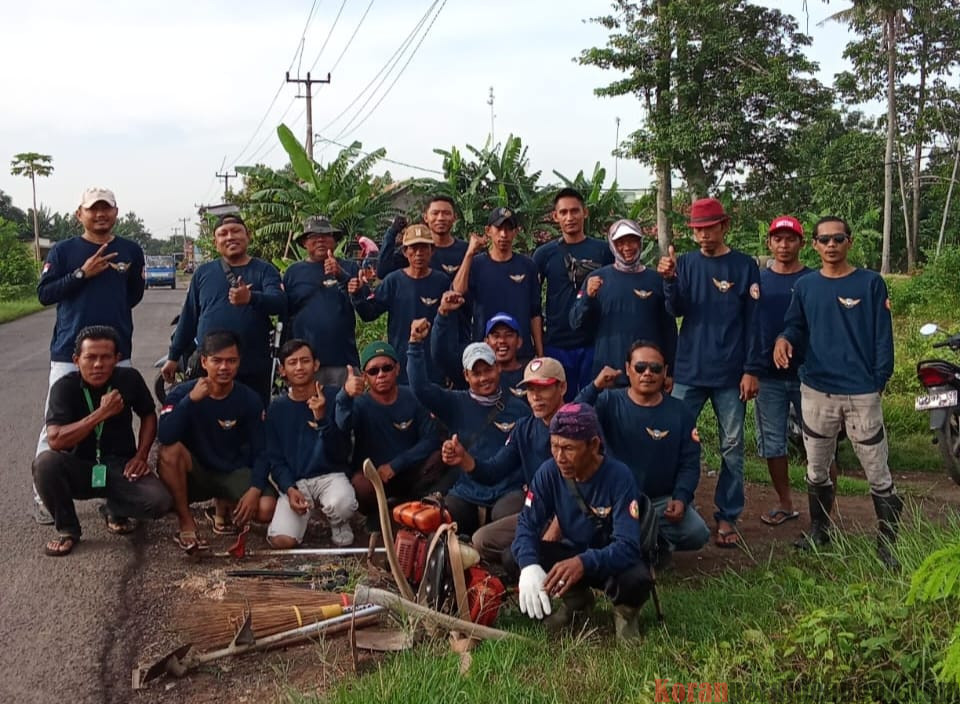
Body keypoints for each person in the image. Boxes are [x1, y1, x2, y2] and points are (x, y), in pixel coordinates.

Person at [774, 216, 902, 569]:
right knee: (816, 467)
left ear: (850, 241)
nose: (831, 245)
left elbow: (882, 338)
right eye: (824, 240)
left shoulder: (871, 283)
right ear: (814, 245)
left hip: (861, 392)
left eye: (838, 238)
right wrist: (784, 340)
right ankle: (819, 529)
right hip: (816, 390)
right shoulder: (805, 287)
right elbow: (795, 326)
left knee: (877, 469)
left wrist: (878, 380)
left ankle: (888, 543)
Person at [33, 187, 145, 524]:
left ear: (116, 212)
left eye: (106, 209)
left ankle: (117, 500)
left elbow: (133, 295)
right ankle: (44, 496)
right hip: (70, 352)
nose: (100, 215)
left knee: (116, 421)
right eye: (93, 209)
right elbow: (44, 293)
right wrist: (82, 274)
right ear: (80, 214)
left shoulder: (130, 250)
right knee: (54, 424)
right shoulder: (66, 251)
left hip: (116, 352)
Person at [657, 197, 763, 548]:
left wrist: (751, 370)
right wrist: (670, 281)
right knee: (670, 439)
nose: (703, 235)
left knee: (732, 447)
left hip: (731, 374)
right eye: (697, 229)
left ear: (724, 225)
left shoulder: (744, 266)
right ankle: (670, 507)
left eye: (709, 227)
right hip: (689, 370)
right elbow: (675, 310)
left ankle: (727, 515)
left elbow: (753, 323)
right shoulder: (685, 264)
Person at [509, 403, 653, 640]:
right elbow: (527, 523)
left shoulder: (619, 477)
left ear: (594, 445)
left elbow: (627, 546)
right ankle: (577, 601)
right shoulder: (548, 472)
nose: (559, 457)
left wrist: (583, 562)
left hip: (609, 559)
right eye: (554, 446)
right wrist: (528, 566)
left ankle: (626, 615)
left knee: (636, 578)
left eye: (568, 448)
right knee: (514, 556)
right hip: (571, 551)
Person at [32, 326, 171, 556]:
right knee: (45, 464)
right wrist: (101, 414)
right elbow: (55, 439)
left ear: (117, 359)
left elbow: (148, 414)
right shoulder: (64, 387)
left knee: (160, 502)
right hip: (80, 467)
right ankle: (68, 530)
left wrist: (141, 455)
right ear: (77, 360)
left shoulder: (129, 379)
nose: (98, 364)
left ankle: (113, 508)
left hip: (120, 466)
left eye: (106, 357)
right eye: (91, 357)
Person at [576, 341, 709, 565]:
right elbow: (572, 418)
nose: (647, 373)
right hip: (616, 500)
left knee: (698, 533)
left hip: (660, 503)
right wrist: (595, 387)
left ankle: (645, 544)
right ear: (628, 369)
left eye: (655, 368)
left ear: (665, 372)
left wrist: (681, 498)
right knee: (583, 533)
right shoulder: (608, 402)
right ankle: (639, 547)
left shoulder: (681, 412)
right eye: (640, 368)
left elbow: (690, 462)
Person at [407, 318, 532, 537]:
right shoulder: (454, 403)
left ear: (498, 368)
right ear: (466, 375)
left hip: (507, 491)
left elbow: (530, 453)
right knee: (437, 521)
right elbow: (420, 388)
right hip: (467, 491)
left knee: (508, 517)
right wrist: (415, 344)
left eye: (488, 370)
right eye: (476, 373)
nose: (484, 378)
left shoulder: (520, 409)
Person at [441, 357, 567, 565]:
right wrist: (465, 459)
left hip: (572, 517)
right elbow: (494, 470)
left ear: (562, 388)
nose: (535, 397)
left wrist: (554, 531)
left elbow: (584, 488)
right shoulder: (525, 428)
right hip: (539, 513)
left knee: (514, 555)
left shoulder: (578, 425)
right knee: (481, 541)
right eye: (530, 389)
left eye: (543, 389)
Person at [157, 330, 274, 552]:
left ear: (239, 362)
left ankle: (224, 504)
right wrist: (189, 402)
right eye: (217, 361)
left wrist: (255, 490)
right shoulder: (181, 393)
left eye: (231, 361)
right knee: (169, 452)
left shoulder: (249, 399)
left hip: (232, 470)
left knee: (266, 509)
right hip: (196, 472)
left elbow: (262, 449)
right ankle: (186, 521)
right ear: (204, 361)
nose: (223, 367)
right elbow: (165, 436)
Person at [162, 213, 285, 406]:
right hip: (210, 368)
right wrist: (173, 357)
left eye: (236, 231)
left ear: (248, 235)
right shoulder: (203, 273)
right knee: (206, 425)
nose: (230, 237)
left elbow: (279, 302)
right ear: (216, 241)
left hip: (252, 367)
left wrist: (252, 298)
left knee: (252, 423)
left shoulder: (265, 270)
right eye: (223, 233)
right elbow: (189, 317)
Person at [336, 340, 448, 524]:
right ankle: (376, 516)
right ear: (365, 376)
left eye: (386, 368)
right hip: (376, 477)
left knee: (439, 457)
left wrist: (396, 465)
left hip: (410, 471)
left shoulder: (413, 397)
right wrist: (345, 396)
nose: (381, 375)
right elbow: (342, 426)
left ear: (397, 369)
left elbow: (431, 439)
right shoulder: (359, 404)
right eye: (373, 371)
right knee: (360, 485)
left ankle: (413, 506)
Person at [263, 339, 357, 548]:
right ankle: (299, 517)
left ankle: (338, 521)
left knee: (342, 504)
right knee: (282, 541)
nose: (299, 367)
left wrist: (322, 418)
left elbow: (341, 451)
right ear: (282, 370)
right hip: (298, 483)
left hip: (331, 476)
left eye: (305, 361)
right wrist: (289, 488)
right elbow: (275, 460)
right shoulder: (276, 409)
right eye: (292, 362)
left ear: (316, 365)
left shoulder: (334, 397)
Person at [755, 216, 817, 526]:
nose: (783, 244)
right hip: (767, 375)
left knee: (819, 442)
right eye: (777, 239)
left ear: (801, 244)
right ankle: (785, 502)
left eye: (790, 239)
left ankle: (824, 511)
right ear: (769, 243)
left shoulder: (814, 280)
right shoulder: (758, 281)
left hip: (809, 374)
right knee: (772, 442)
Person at [570, 218, 677, 386]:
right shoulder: (597, 279)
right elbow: (575, 323)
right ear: (612, 245)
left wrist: (669, 372)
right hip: (609, 374)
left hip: (648, 375)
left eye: (632, 241)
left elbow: (669, 329)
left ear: (640, 242)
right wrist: (587, 297)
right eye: (620, 242)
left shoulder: (656, 280)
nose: (627, 248)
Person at [533, 188, 613, 399]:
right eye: (564, 212)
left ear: (585, 212)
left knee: (595, 403)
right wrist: (540, 349)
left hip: (594, 342)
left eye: (575, 211)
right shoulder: (544, 254)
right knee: (560, 404)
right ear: (555, 216)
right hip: (557, 343)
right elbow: (532, 302)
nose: (570, 218)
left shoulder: (604, 251)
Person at [349, 224, 450, 384]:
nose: (418, 254)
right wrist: (357, 294)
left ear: (432, 250)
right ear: (405, 252)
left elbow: (449, 325)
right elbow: (369, 313)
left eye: (424, 248)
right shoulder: (394, 281)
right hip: (401, 365)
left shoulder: (442, 282)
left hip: (434, 366)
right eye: (413, 248)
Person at [451, 206, 543, 358]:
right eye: (499, 228)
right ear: (488, 230)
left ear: (516, 231)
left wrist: (540, 352)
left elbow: (535, 313)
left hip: (521, 355)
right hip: (485, 354)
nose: (503, 235)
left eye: (509, 229)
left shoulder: (527, 266)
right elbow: (457, 293)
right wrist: (469, 253)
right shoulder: (475, 265)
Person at [283, 216, 361, 386]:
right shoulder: (293, 273)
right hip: (304, 365)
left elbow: (365, 306)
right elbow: (285, 316)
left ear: (334, 240)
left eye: (326, 235)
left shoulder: (350, 267)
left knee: (346, 410)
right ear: (304, 242)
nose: (320, 240)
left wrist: (341, 274)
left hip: (343, 361)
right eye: (313, 236)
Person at [430, 292, 526, 392]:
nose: (502, 341)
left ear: (519, 341)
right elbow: (441, 355)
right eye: (496, 336)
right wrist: (442, 314)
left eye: (508, 335)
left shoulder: (529, 375)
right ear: (486, 342)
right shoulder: (472, 371)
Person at [377, 196, 469, 279]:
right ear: (426, 217)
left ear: (455, 218)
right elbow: (383, 271)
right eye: (435, 213)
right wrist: (392, 232)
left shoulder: (467, 251)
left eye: (446, 213)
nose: (440, 218)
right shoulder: (414, 251)